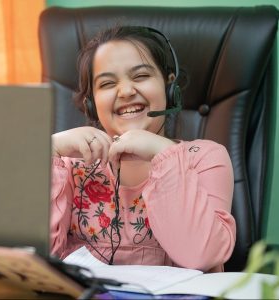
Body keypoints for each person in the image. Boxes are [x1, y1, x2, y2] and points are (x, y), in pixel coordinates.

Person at [50, 25, 236, 273]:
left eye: (140, 76)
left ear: (170, 89)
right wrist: (48, 151)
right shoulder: (71, 168)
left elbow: (201, 255)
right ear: (92, 104)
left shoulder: (204, 158)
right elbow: (32, 256)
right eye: (107, 83)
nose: (126, 91)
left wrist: (164, 156)